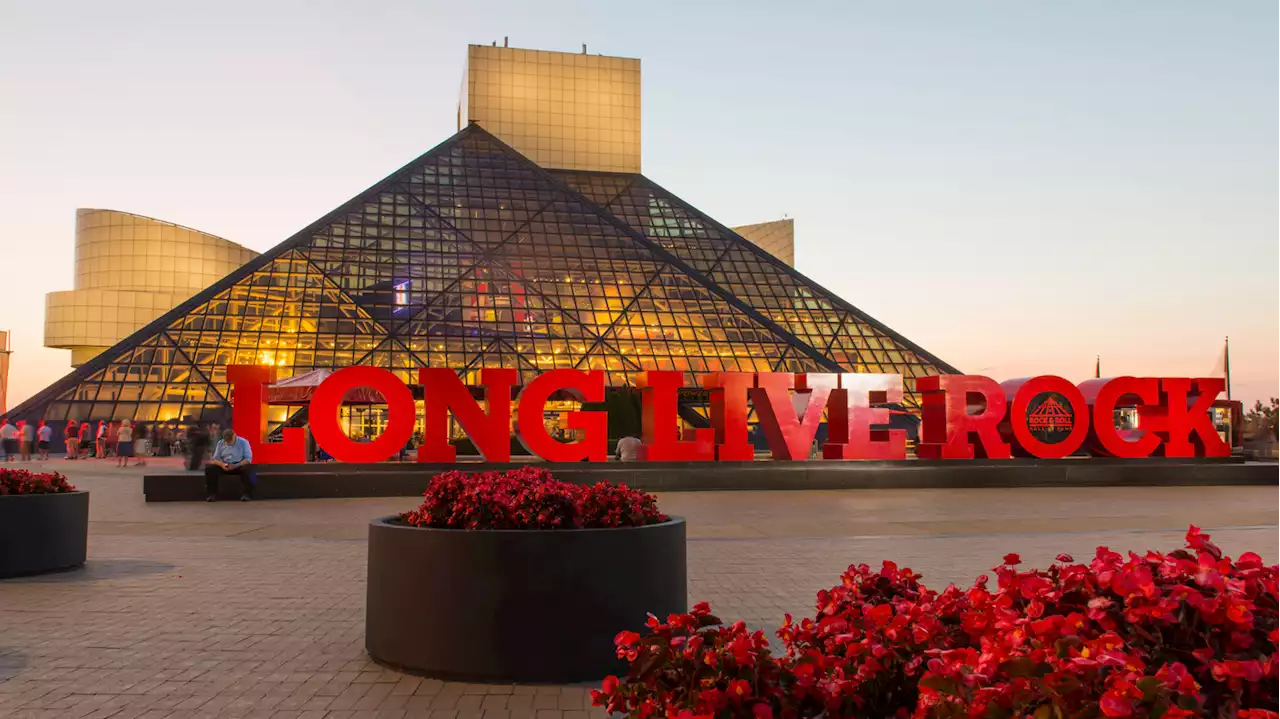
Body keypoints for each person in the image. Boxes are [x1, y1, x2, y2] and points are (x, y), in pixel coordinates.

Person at [205, 428, 254, 502]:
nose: (228, 443)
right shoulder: (220, 443)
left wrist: (235, 466)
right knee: (210, 469)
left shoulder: (244, 442)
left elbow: (248, 459)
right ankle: (212, 495)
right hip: (225, 465)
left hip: (239, 464)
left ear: (234, 436)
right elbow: (215, 459)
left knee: (247, 469)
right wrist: (222, 465)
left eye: (230, 441)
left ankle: (246, 494)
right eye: (226, 442)